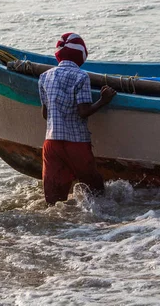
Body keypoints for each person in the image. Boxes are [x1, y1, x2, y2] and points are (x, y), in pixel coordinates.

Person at [38, 33, 117, 205]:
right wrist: (104, 100)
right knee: (96, 191)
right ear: (81, 55)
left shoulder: (44, 77)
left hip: (51, 143)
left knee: (54, 201)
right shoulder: (81, 76)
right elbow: (83, 111)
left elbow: (45, 114)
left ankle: (60, 229)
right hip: (76, 142)